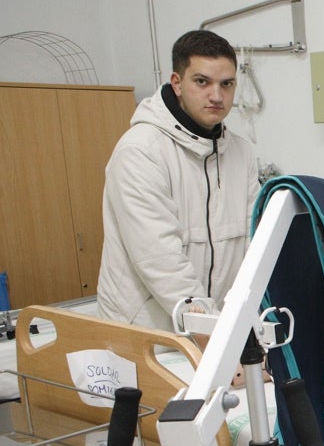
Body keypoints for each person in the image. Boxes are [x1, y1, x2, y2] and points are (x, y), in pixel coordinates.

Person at [97, 30, 259, 332]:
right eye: (202, 82)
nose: (216, 95)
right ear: (177, 83)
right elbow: (160, 259)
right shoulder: (141, 151)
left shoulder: (240, 152)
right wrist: (212, 337)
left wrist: (244, 329)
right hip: (148, 334)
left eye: (227, 84)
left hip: (214, 331)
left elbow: (254, 244)